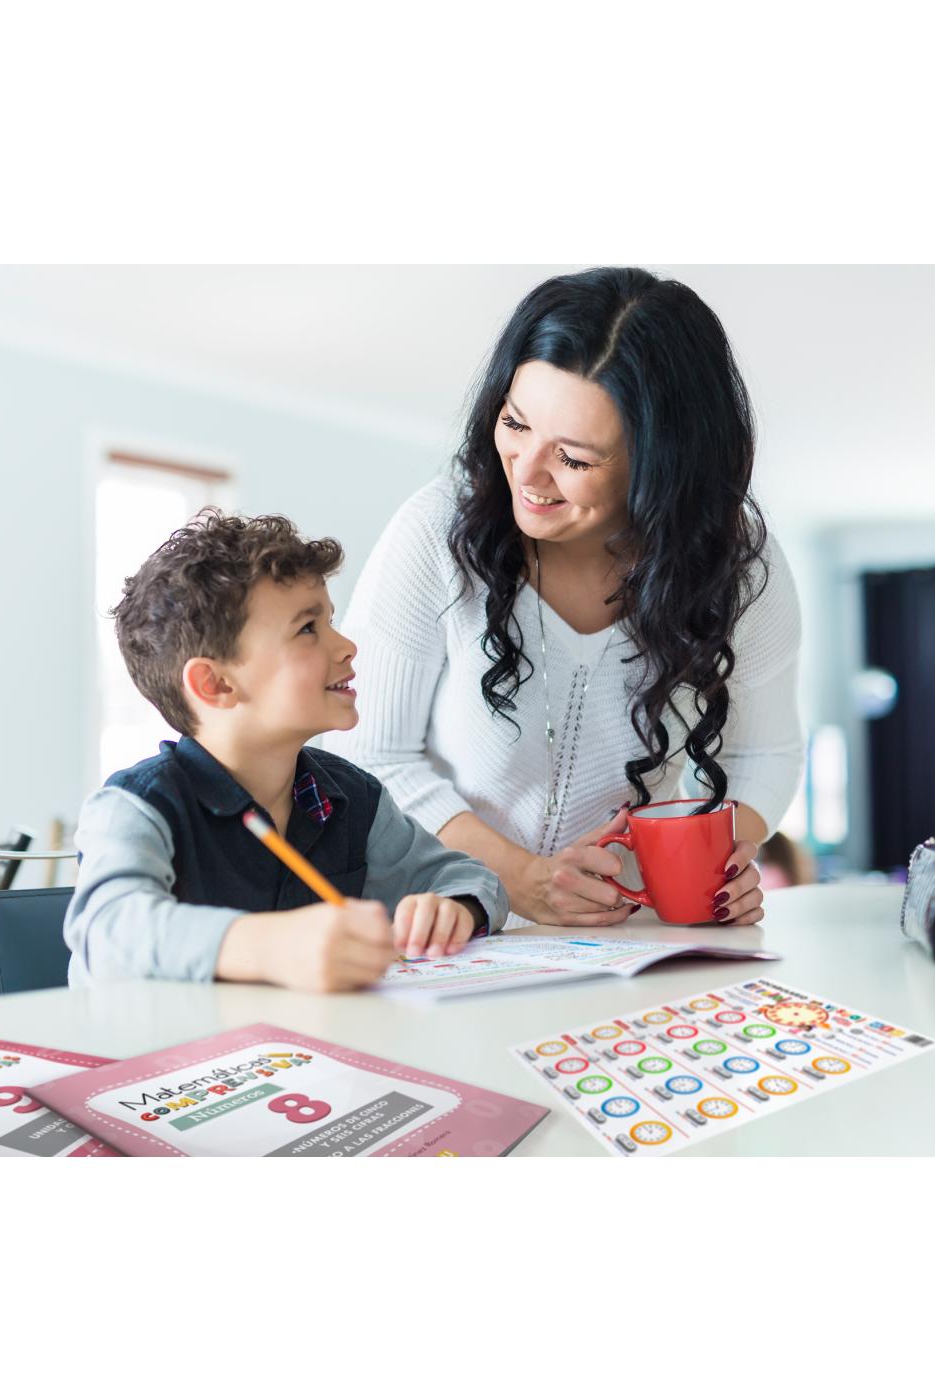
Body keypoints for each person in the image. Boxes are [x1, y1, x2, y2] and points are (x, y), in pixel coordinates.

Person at [337, 267, 804, 930]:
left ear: (662, 466)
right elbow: (370, 756)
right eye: (515, 423)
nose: (526, 473)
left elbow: (763, 756)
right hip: (454, 924)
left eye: (575, 459)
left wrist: (710, 868)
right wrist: (523, 880)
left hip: (632, 935)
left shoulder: (739, 567)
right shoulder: (436, 532)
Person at [65, 511, 507, 992]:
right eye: (307, 628)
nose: (347, 646)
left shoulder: (352, 796)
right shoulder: (135, 807)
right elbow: (107, 932)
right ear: (216, 684)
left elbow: (467, 878)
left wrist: (454, 908)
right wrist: (268, 947)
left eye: (330, 621)